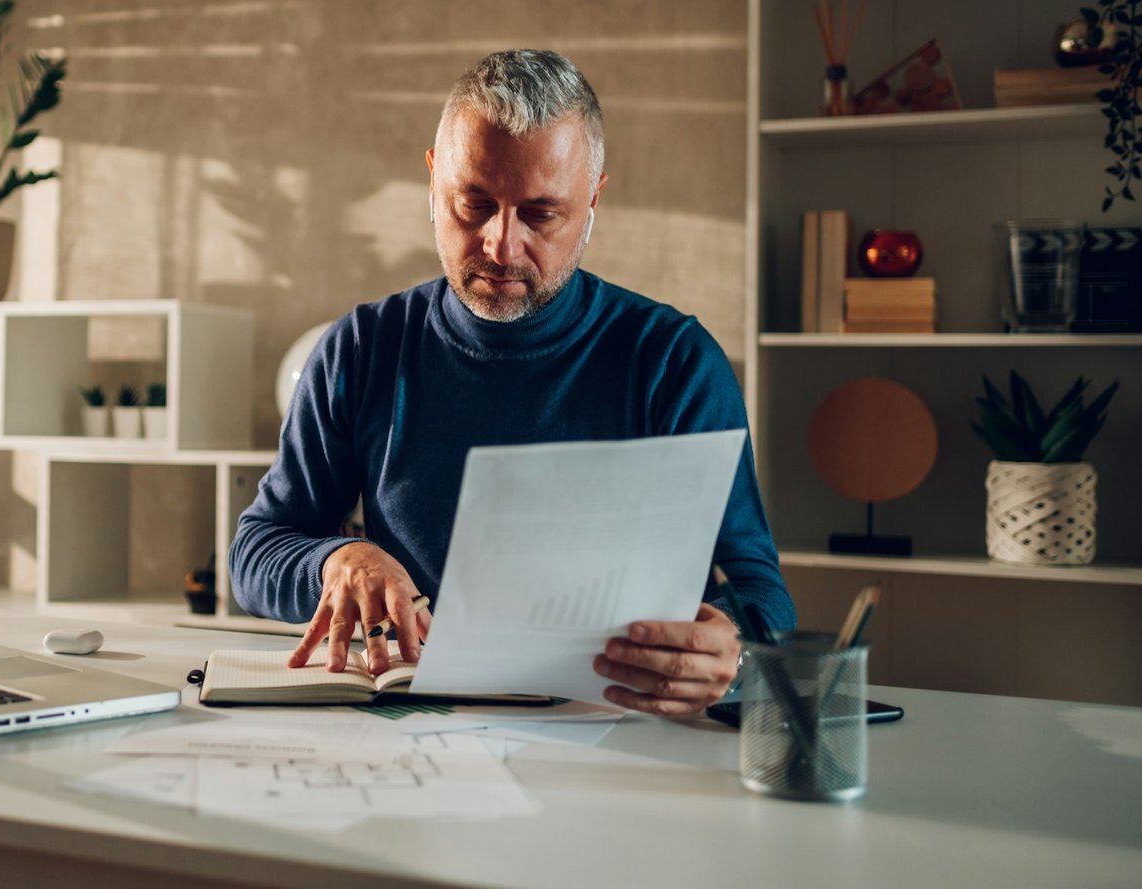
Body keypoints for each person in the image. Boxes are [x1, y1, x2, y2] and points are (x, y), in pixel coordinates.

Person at [230, 49, 793, 716]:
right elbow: (256, 550)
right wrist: (337, 560)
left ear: (592, 200)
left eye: (540, 214)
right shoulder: (362, 347)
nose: (500, 245)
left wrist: (735, 648)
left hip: (617, 727)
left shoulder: (673, 362)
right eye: (474, 203)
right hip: (415, 722)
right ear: (433, 179)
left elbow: (757, 588)